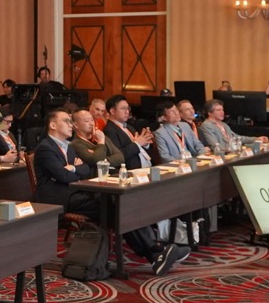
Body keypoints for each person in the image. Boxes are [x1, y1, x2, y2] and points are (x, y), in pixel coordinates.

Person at [36, 109, 185, 275]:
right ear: (53, 125)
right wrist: (75, 168)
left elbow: (86, 168)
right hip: (59, 198)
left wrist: (74, 168)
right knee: (116, 209)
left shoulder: (68, 147)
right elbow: (63, 175)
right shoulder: (45, 148)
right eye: (66, 121)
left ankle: (155, 252)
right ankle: (154, 251)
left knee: (120, 207)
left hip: (76, 191)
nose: (70, 125)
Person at [102, 95, 155, 171]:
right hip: (129, 171)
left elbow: (141, 147)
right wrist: (137, 144)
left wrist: (145, 142)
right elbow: (118, 156)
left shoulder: (130, 127)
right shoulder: (109, 130)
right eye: (123, 108)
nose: (127, 112)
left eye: (128, 108)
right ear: (112, 111)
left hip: (147, 167)